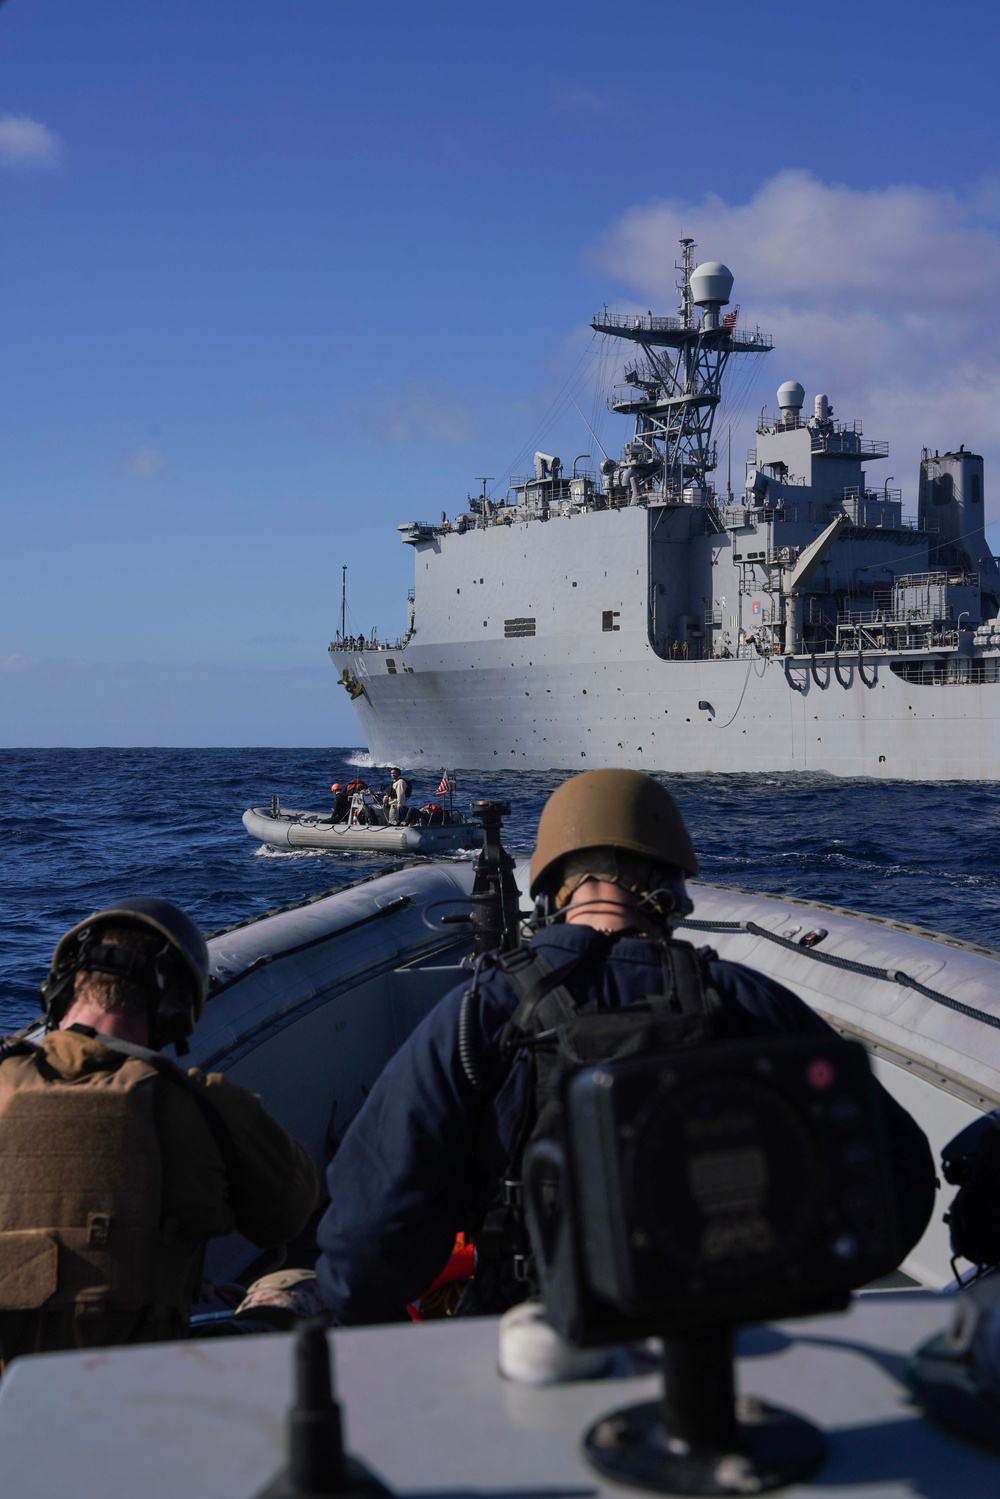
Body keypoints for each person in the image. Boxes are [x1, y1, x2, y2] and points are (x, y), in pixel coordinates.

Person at [315, 770, 936, 1325]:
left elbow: (367, 1242)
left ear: (553, 890)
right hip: (726, 1336)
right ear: (673, 888)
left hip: (539, 1344)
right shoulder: (747, 1002)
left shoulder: (478, 1015)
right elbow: (901, 1177)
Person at [0, 898, 319, 1366]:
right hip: (132, 1397)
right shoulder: (202, 1108)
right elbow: (288, 1217)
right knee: (299, 1288)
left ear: (62, 989)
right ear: (176, 1009)